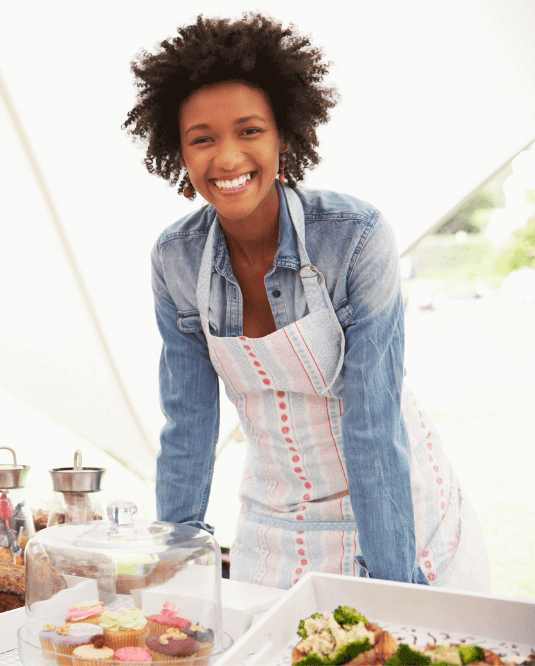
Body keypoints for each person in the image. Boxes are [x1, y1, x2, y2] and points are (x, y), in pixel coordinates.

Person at [124, 13, 490, 591]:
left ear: (283, 138)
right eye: (202, 138)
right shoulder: (176, 258)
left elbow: (373, 418)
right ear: (180, 151)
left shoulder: (355, 236)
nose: (226, 157)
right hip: (274, 525)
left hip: (394, 512)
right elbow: (189, 423)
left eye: (249, 131)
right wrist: (174, 559)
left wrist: (393, 587)